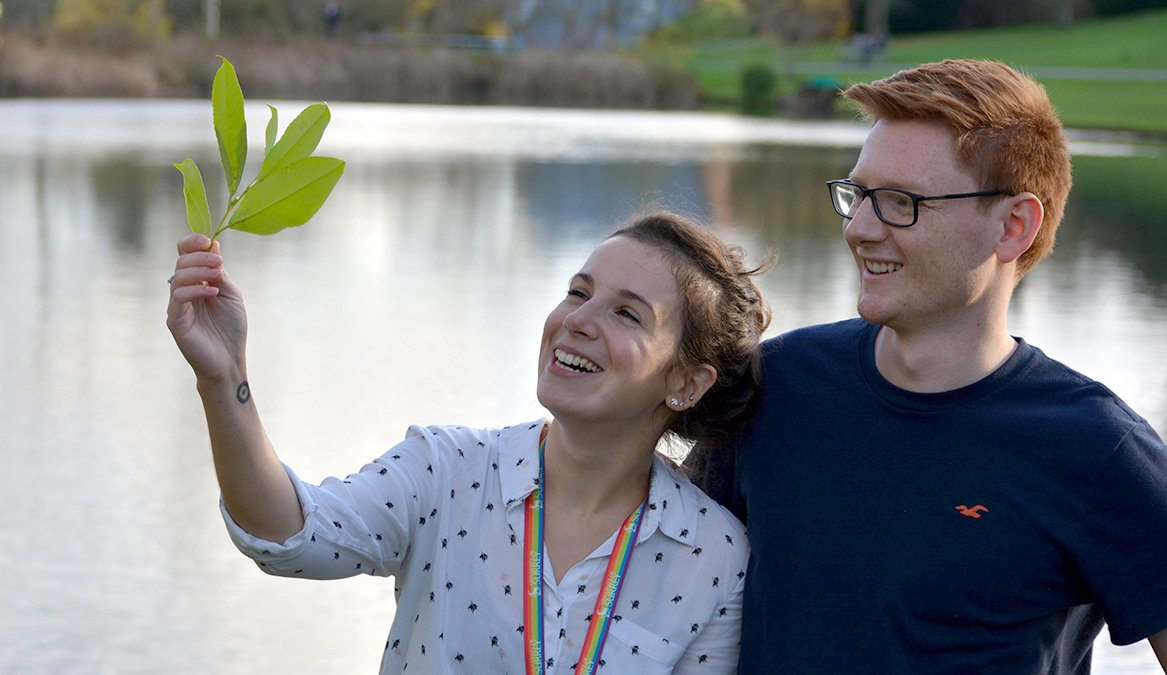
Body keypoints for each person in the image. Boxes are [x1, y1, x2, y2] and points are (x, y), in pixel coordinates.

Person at [691, 59, 1167, 672]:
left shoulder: (1100, 450)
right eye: (858, 196)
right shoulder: (776, 386)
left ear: (1013, 226)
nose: (860, 228)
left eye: (901, 202)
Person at [166, 211, 771, 674]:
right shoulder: (447, 470)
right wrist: (224, 380)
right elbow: (288, 535)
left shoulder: (714, 557)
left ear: (686, 383)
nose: (578, 321)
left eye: (627, 314)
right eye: (579, 292)